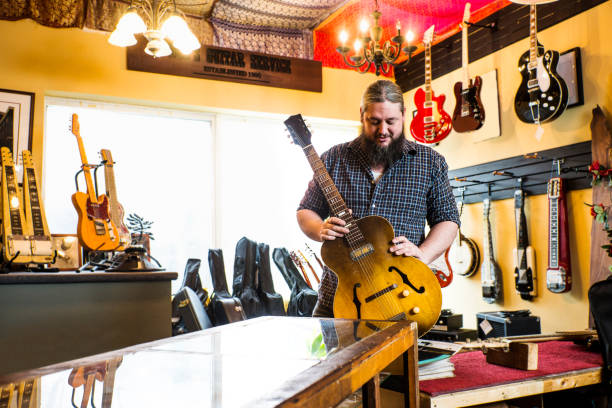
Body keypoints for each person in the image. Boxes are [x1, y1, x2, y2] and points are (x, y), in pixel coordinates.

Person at [296, 79, 460, 318]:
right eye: (374, 122)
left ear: (403, 116)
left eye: (391, 121)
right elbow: (305, 211)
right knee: (333, 358)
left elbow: (448, 220)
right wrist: (320, 228)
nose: (383, 130)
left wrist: (423, 254)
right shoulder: (333, 158)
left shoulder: (431, 162)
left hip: (404, 297)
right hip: (339, 298)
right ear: (362, 115)